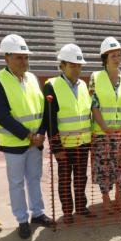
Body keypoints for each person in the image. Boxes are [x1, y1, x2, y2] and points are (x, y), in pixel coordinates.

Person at [0, 34, 53, 239]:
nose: (24, 62)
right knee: (16, 183)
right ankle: (22, 219)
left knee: (34, 179)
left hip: (36, 142)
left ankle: (38, 214)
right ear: (6, 58)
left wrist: (41, 133)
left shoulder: (32, 78)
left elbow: (42, 108)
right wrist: (28, 135)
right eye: (18, 57)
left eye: (26, 58)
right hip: (15, 144)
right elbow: (2, 115)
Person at [42, 44, 96, 224]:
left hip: (83, 143)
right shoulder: (51, 85)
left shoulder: (83, 85)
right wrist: (55, 147)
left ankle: (81, 206)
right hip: (64, 145)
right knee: (65, 179)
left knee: (81, 177)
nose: (77, 69)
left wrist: (89, 141)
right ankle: (67, 211)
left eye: (79, 65)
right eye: (72, 65)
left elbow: (86, 113)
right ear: (62, 65)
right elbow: (50, 120)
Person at [89, 37, 121, 214]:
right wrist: (105, 127)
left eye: (119, 55)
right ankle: (105, 197)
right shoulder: (95, 77)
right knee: (104, 166)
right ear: (105, 58)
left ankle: (119, 196)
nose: (117, 58)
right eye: (113, 55)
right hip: (102, 133)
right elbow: (94, 105)